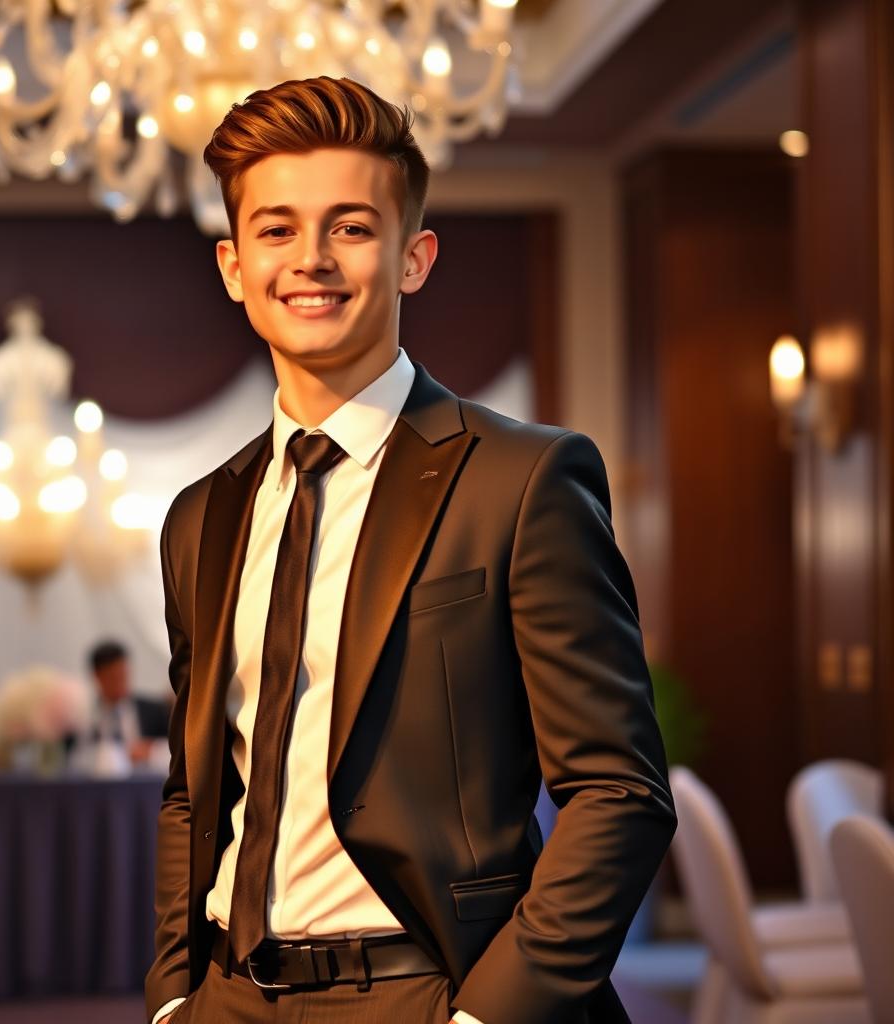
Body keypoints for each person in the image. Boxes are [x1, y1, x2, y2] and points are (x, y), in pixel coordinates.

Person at [147, 76, 676, 1024]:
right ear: (233, 265)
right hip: (227, 996)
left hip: (424, 991)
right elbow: (194, 792)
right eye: (275, 230)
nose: (310, 260)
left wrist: (490, 1016)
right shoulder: (202, 514)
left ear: (413, 258)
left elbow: (617, 791)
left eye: (350, 227)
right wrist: (174, 995)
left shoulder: (525, 478)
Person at [84, 640, 170, 766]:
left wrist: (153, 751)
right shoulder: (85, 717)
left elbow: (174, 749)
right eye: (113, 677)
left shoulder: (155, 711)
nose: (120, 683)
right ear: (97, 676)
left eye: (123, 676)